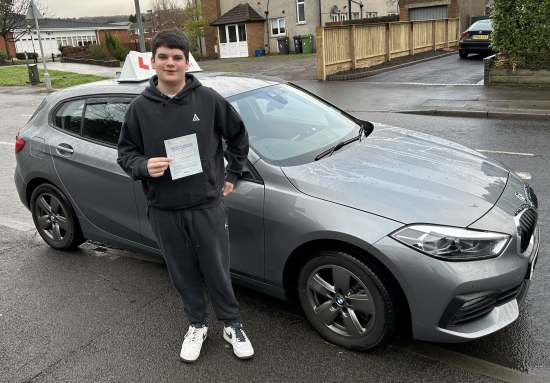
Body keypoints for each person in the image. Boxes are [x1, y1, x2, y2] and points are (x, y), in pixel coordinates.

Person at [117, 29, 252, 363]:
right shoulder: (139, 108)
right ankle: (196, 324)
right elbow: (125, 154)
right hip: (164, 207)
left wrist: (233, 174)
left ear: (187, 61)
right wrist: (144, 166)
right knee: (182, 271)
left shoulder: (208, 100)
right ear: (153, 61)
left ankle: (231, 324)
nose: (170, 63)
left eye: (177, 57)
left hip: (206, 203)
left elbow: (238, 137)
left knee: (217, 269)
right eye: (163, 56)